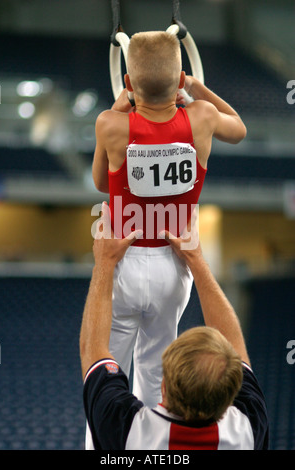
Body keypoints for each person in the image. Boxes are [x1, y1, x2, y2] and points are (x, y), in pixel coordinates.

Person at [92, 31, 247, 411]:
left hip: (122, 262)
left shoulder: (111, 125)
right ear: (179, 80)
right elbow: (239, 129)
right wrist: (197, 87)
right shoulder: (203, 118)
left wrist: (122, 102)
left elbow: (100, 183)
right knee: (155, 373)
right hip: (174, 265)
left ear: (128, 83)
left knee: (106, 373)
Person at [80, 202, 269, 450]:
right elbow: (92, 351)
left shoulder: (130, 433)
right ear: (229, 394)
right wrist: (196, 260)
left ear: (164, 387)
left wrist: (104, 263)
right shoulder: (246, 432)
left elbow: (92, 348)